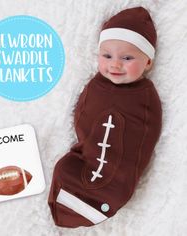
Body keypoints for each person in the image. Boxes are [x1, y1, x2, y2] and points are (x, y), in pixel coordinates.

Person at [48, 6, 162, 228]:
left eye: (127, 57)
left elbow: (146, 135)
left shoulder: (145, 97)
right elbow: (83, 119)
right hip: (87, 158)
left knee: (94, 174)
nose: (115, 64)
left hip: (117, 179)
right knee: (64, 167)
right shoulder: (96, 86)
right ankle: (71, 201)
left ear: (148, 62)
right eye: (106, 55)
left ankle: (96, 200)